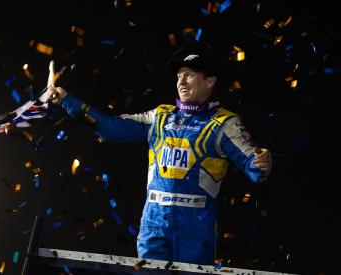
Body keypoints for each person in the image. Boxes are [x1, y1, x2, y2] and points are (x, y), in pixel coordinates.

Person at [46, 52, 273, 265]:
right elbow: (109, 128)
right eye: (179, 77)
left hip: (195, 228)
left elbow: (254, 167)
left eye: (190, 76)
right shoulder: (159, 116)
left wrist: (263, 163)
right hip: (153, 224)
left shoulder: (226, 124)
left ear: (210, 81)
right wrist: (66, 99)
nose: (181, 82)